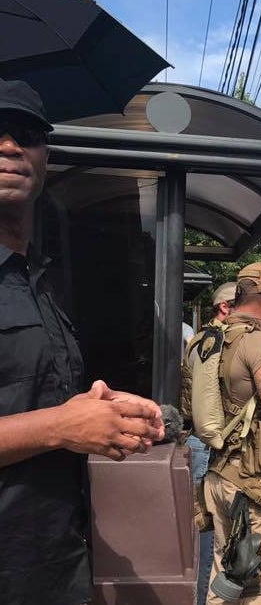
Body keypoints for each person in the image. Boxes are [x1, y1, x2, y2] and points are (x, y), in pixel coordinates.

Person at [0, 78, 165, 605]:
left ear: (46, 157)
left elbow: (39, 402)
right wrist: (59, 426)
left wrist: (106, 411)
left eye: (26, 134)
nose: (8, 146)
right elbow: (54, 424)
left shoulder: (42, 284)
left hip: (55, 565)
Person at [199, 262, 261, 604]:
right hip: (252, 485)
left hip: (217, 476)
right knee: (258, 584)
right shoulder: (257, 343)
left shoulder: (207, 339)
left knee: (224, 574)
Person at [183, 281, 238, 605]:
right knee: (211, 536)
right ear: (224, 308)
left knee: (209, 532)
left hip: (199, 442)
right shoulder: (216, 343)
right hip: (209, 444)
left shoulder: (199, 340)